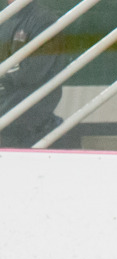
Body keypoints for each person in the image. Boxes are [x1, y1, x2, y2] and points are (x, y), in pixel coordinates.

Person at [0, 0, 68, 148]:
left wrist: (5, 76)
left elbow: (31, 73)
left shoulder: (44, 21)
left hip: (28, 111)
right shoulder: (4, 17)